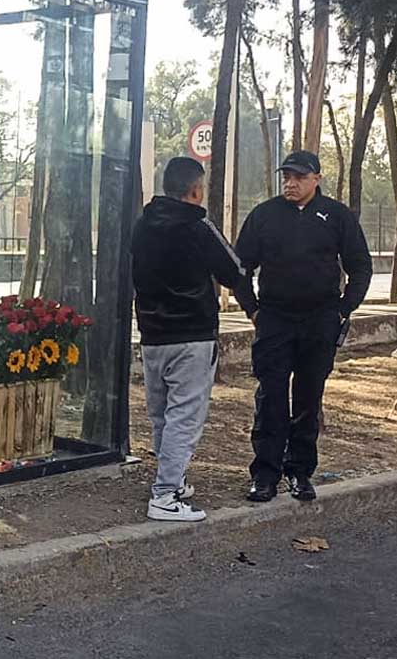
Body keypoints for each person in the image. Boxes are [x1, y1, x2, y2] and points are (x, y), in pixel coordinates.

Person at [233, 151, 373, 503]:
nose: (291, 183)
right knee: (270, 397)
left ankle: (299, 471)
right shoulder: (265, 215)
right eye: (287, 177)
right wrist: (252, 310)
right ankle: (265, 474)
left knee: (308, 398)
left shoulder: (337, 216)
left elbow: (360, 267)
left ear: (316, 179)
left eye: (299, 177)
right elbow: (240, 268)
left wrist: (343, 310)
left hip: (319, 320)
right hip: (274, 320)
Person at [132, 157, 245, 522]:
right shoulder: (198, 225)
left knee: (162, 415)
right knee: (185, 416)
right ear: (196, 190)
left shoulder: (143, 225)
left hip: (151, 335)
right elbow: (234, 270)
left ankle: (173, 480)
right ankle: (165, 496)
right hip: (192, 335)